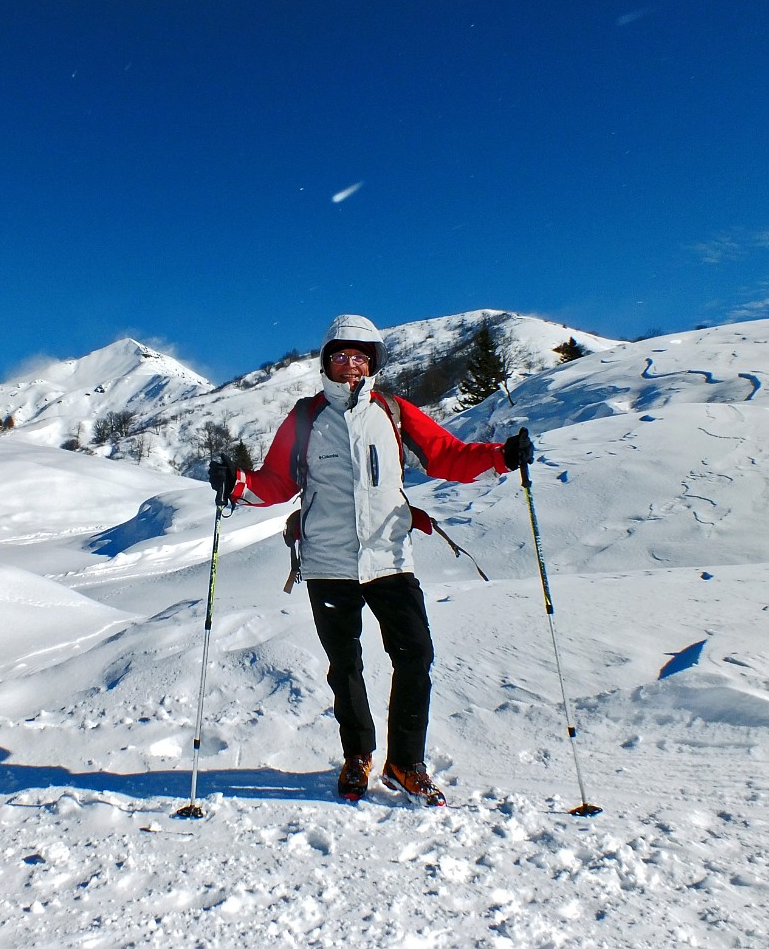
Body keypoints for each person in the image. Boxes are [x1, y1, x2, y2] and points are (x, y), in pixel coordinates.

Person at [209, 314, 532, 806]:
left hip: (391, 558)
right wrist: (236, 483)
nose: (351, 366)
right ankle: (357, 755)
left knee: (415, 656)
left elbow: (448, 455)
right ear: (326, 362)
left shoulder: (393, 411)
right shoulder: (305, 417)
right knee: (345, 667)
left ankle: (405, 763)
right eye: (341, 356)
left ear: (373, 363)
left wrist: (501, 457)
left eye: (361, 357)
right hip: (327, 563)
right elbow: (275, 482)